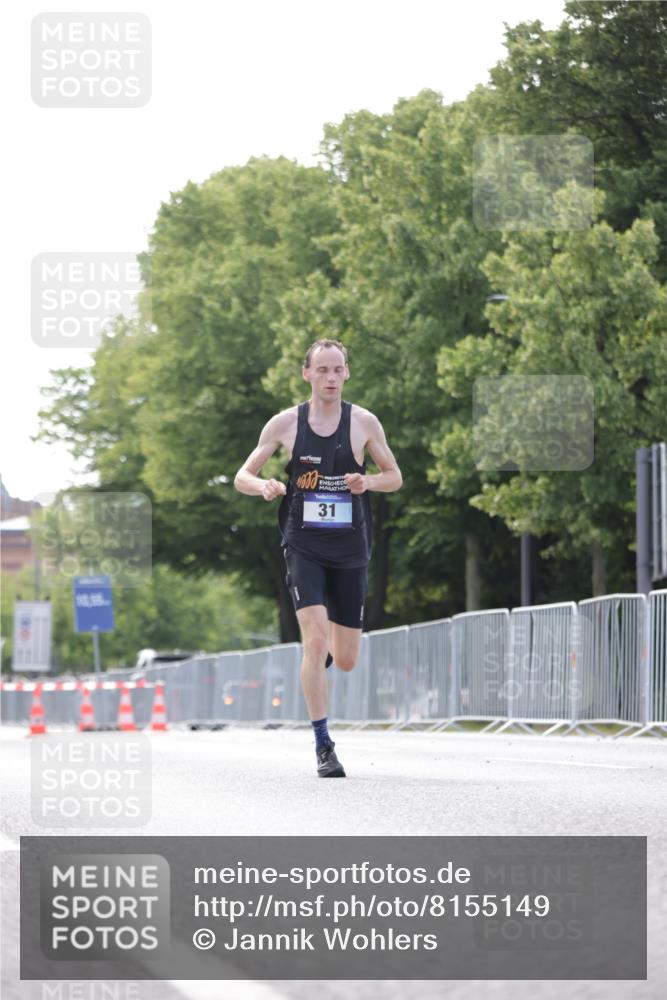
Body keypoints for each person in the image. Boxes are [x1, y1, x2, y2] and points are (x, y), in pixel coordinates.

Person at [234, 339, 402, 777]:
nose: (330, 378)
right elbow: (242, 476)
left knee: (345, 659)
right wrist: (265, 486)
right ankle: (323, 745)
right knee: (313, 642)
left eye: (338, 369)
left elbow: (394, 477)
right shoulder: (286, 424)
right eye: (322, 370)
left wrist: (369, 484)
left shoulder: (363, 422)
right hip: (303, 543)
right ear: (306, 373)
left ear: (347, 374)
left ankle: (325, 643)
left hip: (350, 547)